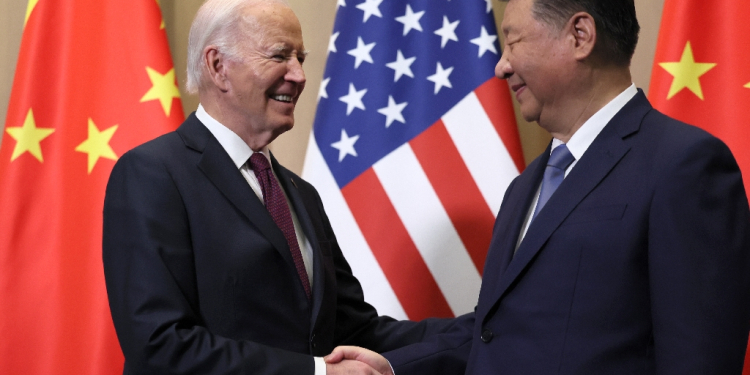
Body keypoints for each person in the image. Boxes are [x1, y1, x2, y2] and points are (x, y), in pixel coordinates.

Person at [325, 0, 750, 373]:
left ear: (580, 35)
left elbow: (699, 356)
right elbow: (497, 331)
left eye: (513, 42)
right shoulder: (525, 186)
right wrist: (390, 368)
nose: (500, 65)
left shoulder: (684, 164)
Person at [102, 0, 452, 374]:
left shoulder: (301, 195)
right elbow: (159, 345)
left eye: (300, 57)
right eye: (280, 55)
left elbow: (354, 330)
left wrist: (487, 327)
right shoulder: (152, 174)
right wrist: (317, 373)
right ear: (218, 66)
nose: (299, 75)